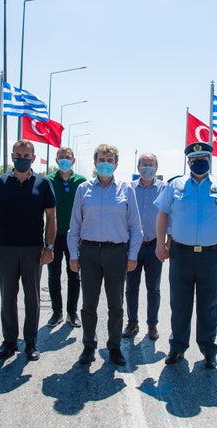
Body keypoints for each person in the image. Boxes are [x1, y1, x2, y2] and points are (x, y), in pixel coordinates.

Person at [154, 142, 217, 368]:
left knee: (209, 305)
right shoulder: (175, 185)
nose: (199, 162)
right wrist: (160, 243)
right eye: (194, 160)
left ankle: (208, 350)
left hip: (211, 256)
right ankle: (177, 347)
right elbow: (163, 214)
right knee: (180, 304)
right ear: (188, 162)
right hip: (180, 253)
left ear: (210, 160)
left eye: (204, 158)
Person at [68, 144, 143, 366]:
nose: (105, 163)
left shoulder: (126, 189)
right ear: (95, 162)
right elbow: (75, 226)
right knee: (88, 304)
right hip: (89, 252)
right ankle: (89, 347)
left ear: (116, 164)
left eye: (110, 160)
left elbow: (135, 228)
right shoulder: (83, 189)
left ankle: (114, 348)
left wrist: (132, 256)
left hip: (116, 253)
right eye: (102, 159)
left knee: (116, 305)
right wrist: (74, 255)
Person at [0, 139, 56, 361]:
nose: (22, 159)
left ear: (33, 158)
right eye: (18, 155)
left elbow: (52, 217)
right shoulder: (0, 182)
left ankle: (31, 342)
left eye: (26, 156)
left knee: (32, 298)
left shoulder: (43, 183)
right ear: (12, 156)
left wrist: (50, 246)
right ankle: (9, 341)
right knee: (8, 297)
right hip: (6, 248)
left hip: (33, 249)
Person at [123, 153, 166, 341]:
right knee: (131, 287)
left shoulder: (165, 189)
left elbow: (169, 216)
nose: (147, 168)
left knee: (153, 288)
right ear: (138, 166)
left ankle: (152, 325)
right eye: (144, 164)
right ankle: (132, 323)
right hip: (133, 246)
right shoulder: (129, 189)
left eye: (151, 164)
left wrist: (167, 244)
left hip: (154, 246)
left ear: (157, 167)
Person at [46, 147, 86, 329]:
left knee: (74, 275)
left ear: (73, 160)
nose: (64, 160)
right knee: (53, 275)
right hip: (53, 236)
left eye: (67, 157)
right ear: (56, 160)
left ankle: (72, 313)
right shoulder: (48, 181)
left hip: (75, 237)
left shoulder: (81, 182)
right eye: (61, 157)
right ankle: (57, 312)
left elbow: (86, 211)